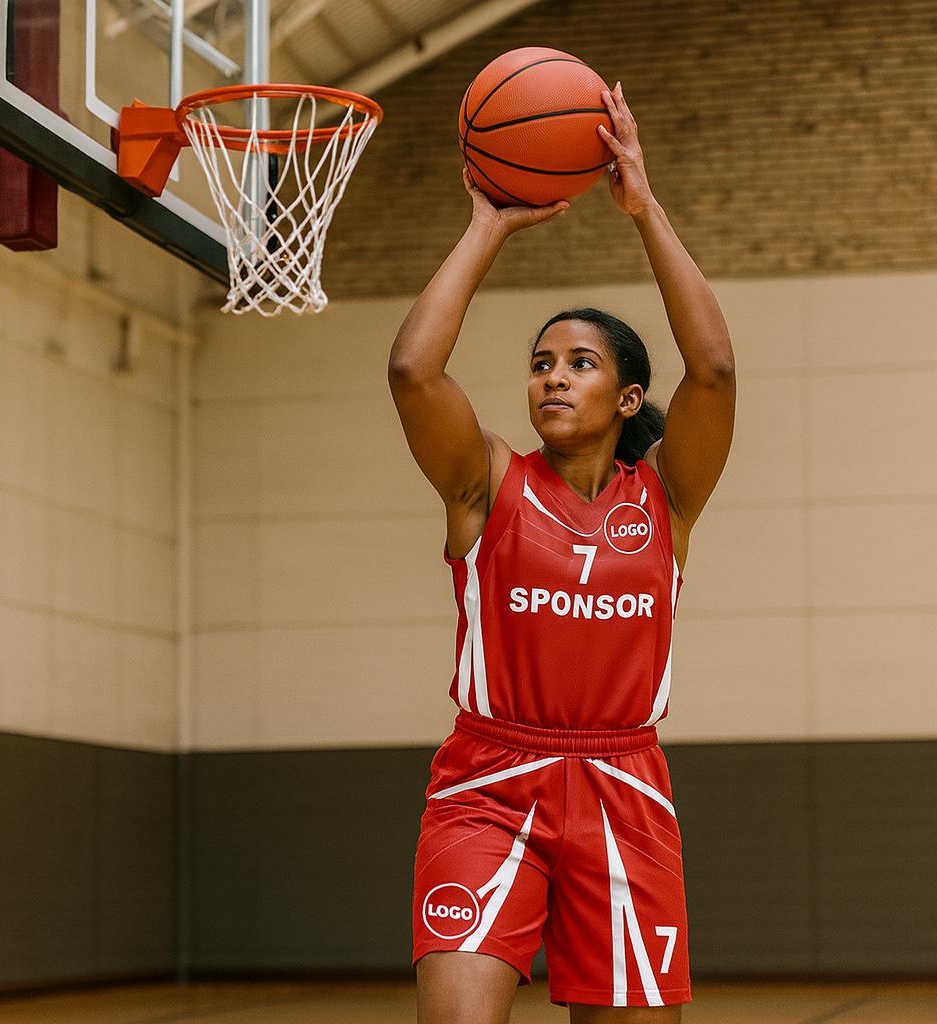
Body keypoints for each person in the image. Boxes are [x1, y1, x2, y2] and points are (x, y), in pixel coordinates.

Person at [388, 83, 736, 1024]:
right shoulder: (486, 485)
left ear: (628, 399)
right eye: (541, 362)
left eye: (580, 363)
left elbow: (714, 370)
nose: (552, 377)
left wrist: (643, 206)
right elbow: (413, 370)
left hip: (623, 784)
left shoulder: (664, 499)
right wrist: (488, 227)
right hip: (489, 783)